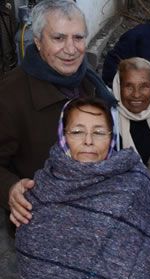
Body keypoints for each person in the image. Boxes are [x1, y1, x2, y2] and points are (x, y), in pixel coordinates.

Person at [14, 97, 150, 279]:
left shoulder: (135, 183)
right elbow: (31, 247)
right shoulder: (45, 186)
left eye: (99, 132)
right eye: (77, 131)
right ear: (63, 135)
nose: (88, 141)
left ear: (112, 136)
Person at [2, 0, 116, 227]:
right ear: (38, 42)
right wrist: (10, 188)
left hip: (93, 213)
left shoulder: (88, 80)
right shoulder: (9, 95)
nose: (71, 49)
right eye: (58, 38)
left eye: (78, 37)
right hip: (43, 223)